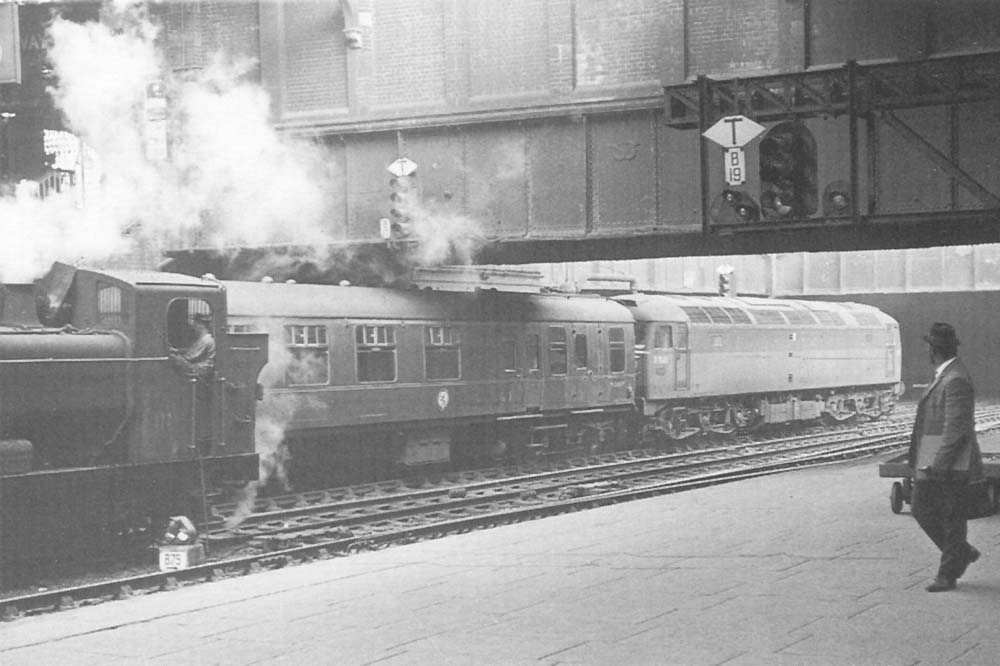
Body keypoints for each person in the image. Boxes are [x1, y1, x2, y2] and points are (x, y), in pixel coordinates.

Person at [908, 322, 983, 592]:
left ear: (933, 349)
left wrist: (938, 464)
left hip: (949, 463)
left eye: (928, 345)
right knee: (922, 508)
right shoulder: (946, 374)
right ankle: (960, 553)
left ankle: (948, 574)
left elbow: (956, 428)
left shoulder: (955, 379)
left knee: (951, 518)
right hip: (936, 456)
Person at [170, 314, 216, 378]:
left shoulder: (205, 340)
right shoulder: (204, 338)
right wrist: (176, 350)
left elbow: (190, 356)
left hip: (200, 369)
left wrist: (175, 356)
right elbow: (192, 349)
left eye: (195, 324)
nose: (193, 327)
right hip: (199, 367)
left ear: (200, 325)